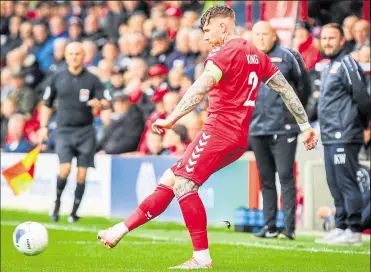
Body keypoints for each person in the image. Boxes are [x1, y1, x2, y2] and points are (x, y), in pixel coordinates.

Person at [97, 6, 318, 269]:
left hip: (218, 130)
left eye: (207, 29)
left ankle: (201, 257)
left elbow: (200, 87)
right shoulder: (256, 55)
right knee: (171, 179)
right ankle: (119, 230)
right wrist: (305, 125)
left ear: (223, 26)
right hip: (238, 137)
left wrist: (172, 117)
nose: (204, 37)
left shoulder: (223, 54)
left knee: (184, 186)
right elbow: (285, 89)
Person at [249, 21, 311, 240]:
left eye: (265, 34)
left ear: (274, 35)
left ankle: (290, 228)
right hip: (257, 128)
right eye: (257, 34)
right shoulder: (249, 60)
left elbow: (304, 87)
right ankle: (270, 226)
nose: (261, 38)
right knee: (266, 179)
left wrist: (296, 118)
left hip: (284, 128)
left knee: (285, 177)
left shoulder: (289, 56)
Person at [314, 24, 370, 246]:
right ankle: (342, 226)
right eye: (324, 38)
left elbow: (363, 98)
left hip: (345, 134)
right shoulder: (329, 66)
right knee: (334, 184)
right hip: (329, 136)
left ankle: (354, 230)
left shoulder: (347, 63)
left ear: (342, 40)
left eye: (332, 38)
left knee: (347, 183)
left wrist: (363, 125)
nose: (327, 42)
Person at [38, 42, 105, 223]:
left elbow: (105, 100)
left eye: (77, 53)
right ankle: (57, 205)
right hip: (64, 131)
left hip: (85, 131)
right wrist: (43, 127)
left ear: (84, 56)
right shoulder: (57, 78)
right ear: (65, 56)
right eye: (71, 54)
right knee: (65, 169)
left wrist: (99, 104)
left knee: (82, 173)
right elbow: (46, 104)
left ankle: (74, 212)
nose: (74, 57)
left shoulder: (92, 79)